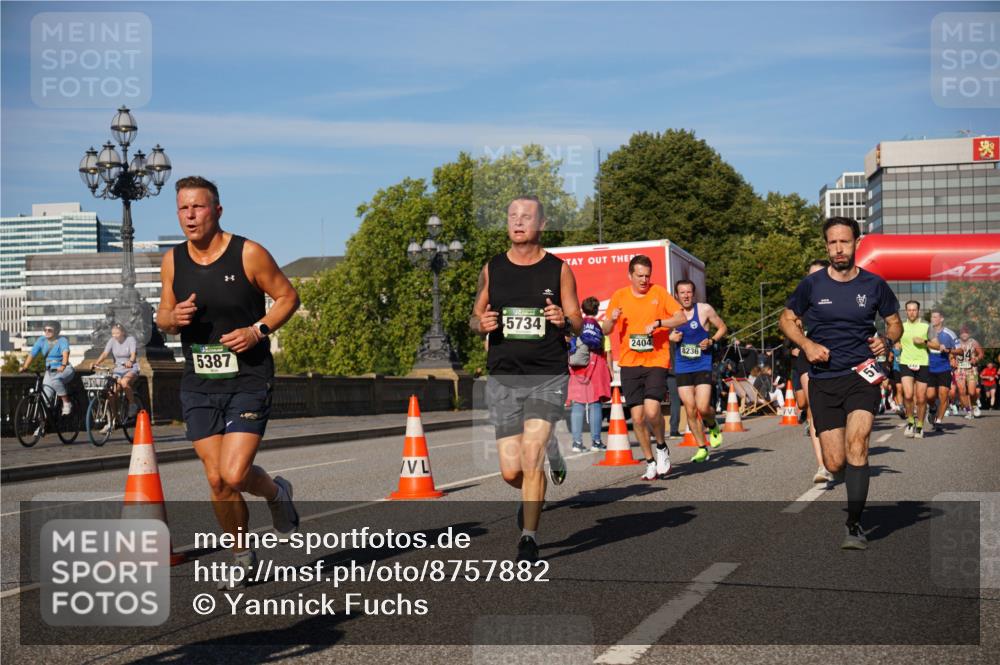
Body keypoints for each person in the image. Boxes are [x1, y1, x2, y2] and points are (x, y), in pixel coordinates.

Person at [156, 176, 301, 588]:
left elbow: (288, 297)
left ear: (217, 211)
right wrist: (172, 318)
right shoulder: (173, 260)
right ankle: (242, 556)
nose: (190, 216)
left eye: (198, 207)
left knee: (235, 474)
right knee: (217, 478)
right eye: (183, 208)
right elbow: (163, 316)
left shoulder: (248, 253)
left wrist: (257, 330)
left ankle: (276, 493)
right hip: (199, 382)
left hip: (248, 379)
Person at [470, 195, 582, 563]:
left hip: (547, 374)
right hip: (504, 377)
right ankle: (539, 476)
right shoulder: (493, 268)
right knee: (510, 471)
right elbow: (475, 316)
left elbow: (577, 321)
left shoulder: (559, 269)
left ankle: (528, 538)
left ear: (542, 224)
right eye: (512, 216)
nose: (518, 222)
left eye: (526, 216)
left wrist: (562, 319)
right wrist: (481, 323)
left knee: (531, 455)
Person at [780, 216, 901, 551]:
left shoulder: (874, 285)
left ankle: (855, 524)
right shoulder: (812, 285)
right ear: (826, 245)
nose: (838, 249)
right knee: (835, 462)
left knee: (858, 443)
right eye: (832, 243)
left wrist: (886, 341)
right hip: (823, 379)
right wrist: (806, 344)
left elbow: (894, 323)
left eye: (844, 242)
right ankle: (851, 479)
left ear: (856, 243)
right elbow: (786, 319)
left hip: (862, 375)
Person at [602, 255, 687, 481]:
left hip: (656, 360)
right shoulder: (619, 296)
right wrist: (612, 319)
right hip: (629, 363)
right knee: (638, 418)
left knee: (651, 410)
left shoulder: (658, 293)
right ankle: (650, 461)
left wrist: (659, 323)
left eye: (647, 276)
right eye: (639, 276)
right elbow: (606, 330)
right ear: (630, 275)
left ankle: (661, 447)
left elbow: (680, 317)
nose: (644, 280)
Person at [668, 280, 727, 462]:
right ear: (676, 295)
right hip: (683, 366)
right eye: (682, 292)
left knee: (702, 407)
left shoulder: (704, 309)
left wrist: (711, 341)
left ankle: (712, 424)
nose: (686, 296)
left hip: (702, 364)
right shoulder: (672, 313)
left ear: (693, 294)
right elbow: (664, 335)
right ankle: (702, 447)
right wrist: (671, 337)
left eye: (689, 292)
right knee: (690, 409)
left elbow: (723, 327)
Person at [790, 259, 832, 483]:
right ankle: (822, 466)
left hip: (837, 359)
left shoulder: (841, 296)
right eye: (811, 276)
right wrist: (800, 341)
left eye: (819, 275)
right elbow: (788, 322)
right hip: (808, 359)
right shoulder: (801, 300)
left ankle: (839, 451)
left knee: (838, 410)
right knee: (813, 409)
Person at [567, 297, 611, 452]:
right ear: (597, 310)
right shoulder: (600, 327)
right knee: (595, 403)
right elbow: (606, 349)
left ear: (583, 309)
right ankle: (596, 441)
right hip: (596, 365)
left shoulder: (577, 326)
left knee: (578, 404)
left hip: (578, 366)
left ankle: (577, 443)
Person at [21, 321, 75, 415]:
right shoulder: (41, 340)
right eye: (45, 330)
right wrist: (25, 366)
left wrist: (63, 365)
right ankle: (44, 422)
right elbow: (32, 354)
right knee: (45, 398)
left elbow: (65, 353)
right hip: (50, 371)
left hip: (65, 369)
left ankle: (66, 403)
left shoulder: (62, 340)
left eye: (50, 330)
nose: (46, 332)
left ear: (56, 331)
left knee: (56, 380)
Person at [93, 322, 140, 421]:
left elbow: (133, 354)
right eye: (113, 333)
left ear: (123, 332)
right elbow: (105, 354)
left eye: (117, 333)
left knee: (124, 382)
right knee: (111, 392)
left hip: (130, 368)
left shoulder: (130, 339)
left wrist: (130, 361)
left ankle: (132, 404)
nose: (115, 335)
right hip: (118, 369)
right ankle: (114, 418)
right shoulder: (112, 341)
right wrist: (96, 363)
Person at [897, 300, 930, 439]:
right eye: (909, 310)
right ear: (906, 311)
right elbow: (895, 340)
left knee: (921, 398)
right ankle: (911, 422)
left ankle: (920, 425)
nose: (912, 312)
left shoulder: (926, 326)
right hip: (906, 362)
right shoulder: (901, 327)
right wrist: (896, 344)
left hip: (922, 363)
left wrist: (924, 342)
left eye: (914, 310)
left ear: (918, 311)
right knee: (908, 395)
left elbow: (936, 344)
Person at [925, 310, 958, 432]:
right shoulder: (926, 332)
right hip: (929, 368)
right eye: (931, 317)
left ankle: (938, 421)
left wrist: (948, 350)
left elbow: (960, 350)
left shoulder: (949, 334)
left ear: (941, 319)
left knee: (943, 395)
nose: (932, 319)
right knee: (930, 396)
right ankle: (933, 407)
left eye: (935, 317)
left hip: (944, 368)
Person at [954, 326, 984, 419]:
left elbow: (981, 353)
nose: (964, 335)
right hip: (959, 369)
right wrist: (952, 360)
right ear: (960, 334)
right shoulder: (956, 343)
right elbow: (950, 353)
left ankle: (974, 405)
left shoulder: (973, 342)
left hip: (971, 369)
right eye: (962, 333)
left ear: (969, 334)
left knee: (971, 392)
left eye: (966, 333)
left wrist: (976, 359)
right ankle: (968, 411)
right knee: (961, 390)